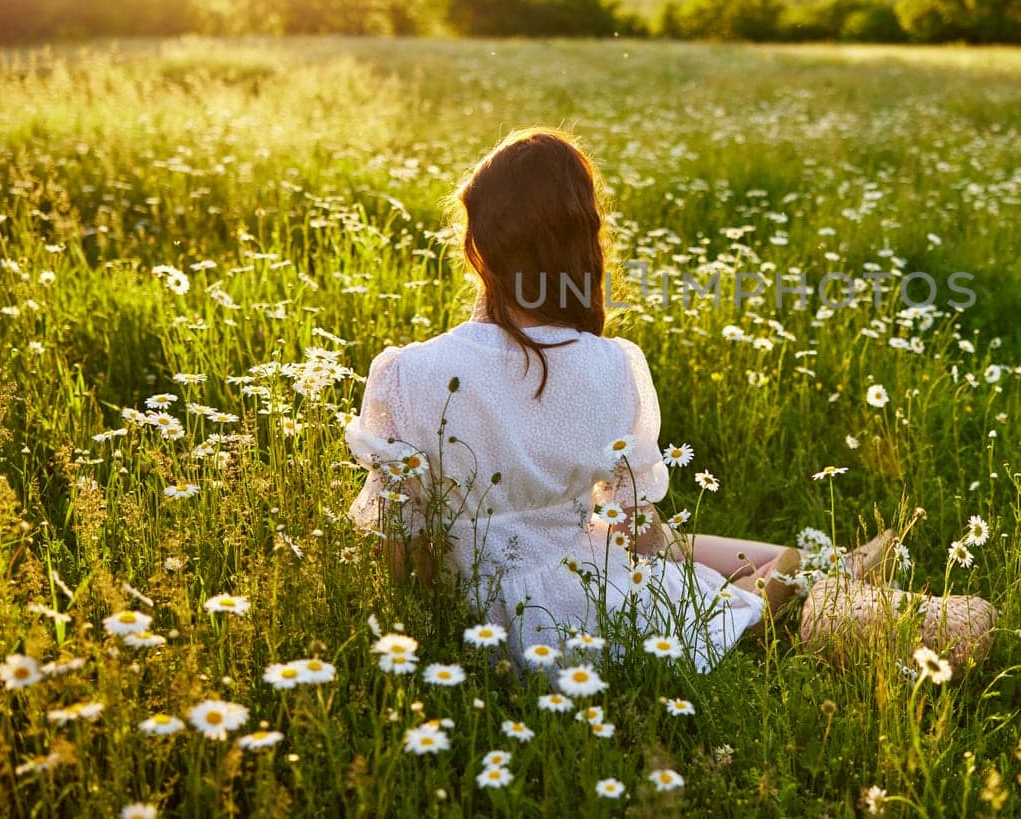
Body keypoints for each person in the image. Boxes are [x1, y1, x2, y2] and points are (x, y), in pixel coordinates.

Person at [345, 127, 890, 671]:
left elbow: (401, 544)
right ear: (583, 242)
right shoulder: (611, 365)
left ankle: (822, 572)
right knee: (757, 569)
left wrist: (435, 631)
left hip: (471, 619)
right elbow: (641, 533)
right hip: (576, 609)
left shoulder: (407, 372)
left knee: (637, 541)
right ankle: (812, 585)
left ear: (476, 246)